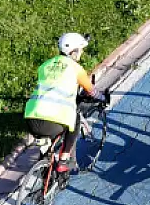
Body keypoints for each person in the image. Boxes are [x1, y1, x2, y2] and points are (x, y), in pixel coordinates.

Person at [24, 33, 108, 173]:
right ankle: (64, 159)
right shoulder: (76, 69)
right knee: (74, 120)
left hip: (31, 118)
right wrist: (103, 98)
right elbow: (91, 91)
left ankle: (44, 165)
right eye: (80, 50)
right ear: (74, 52)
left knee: (50, 141)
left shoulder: (45, 65)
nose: (81, 53)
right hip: (51, 122)